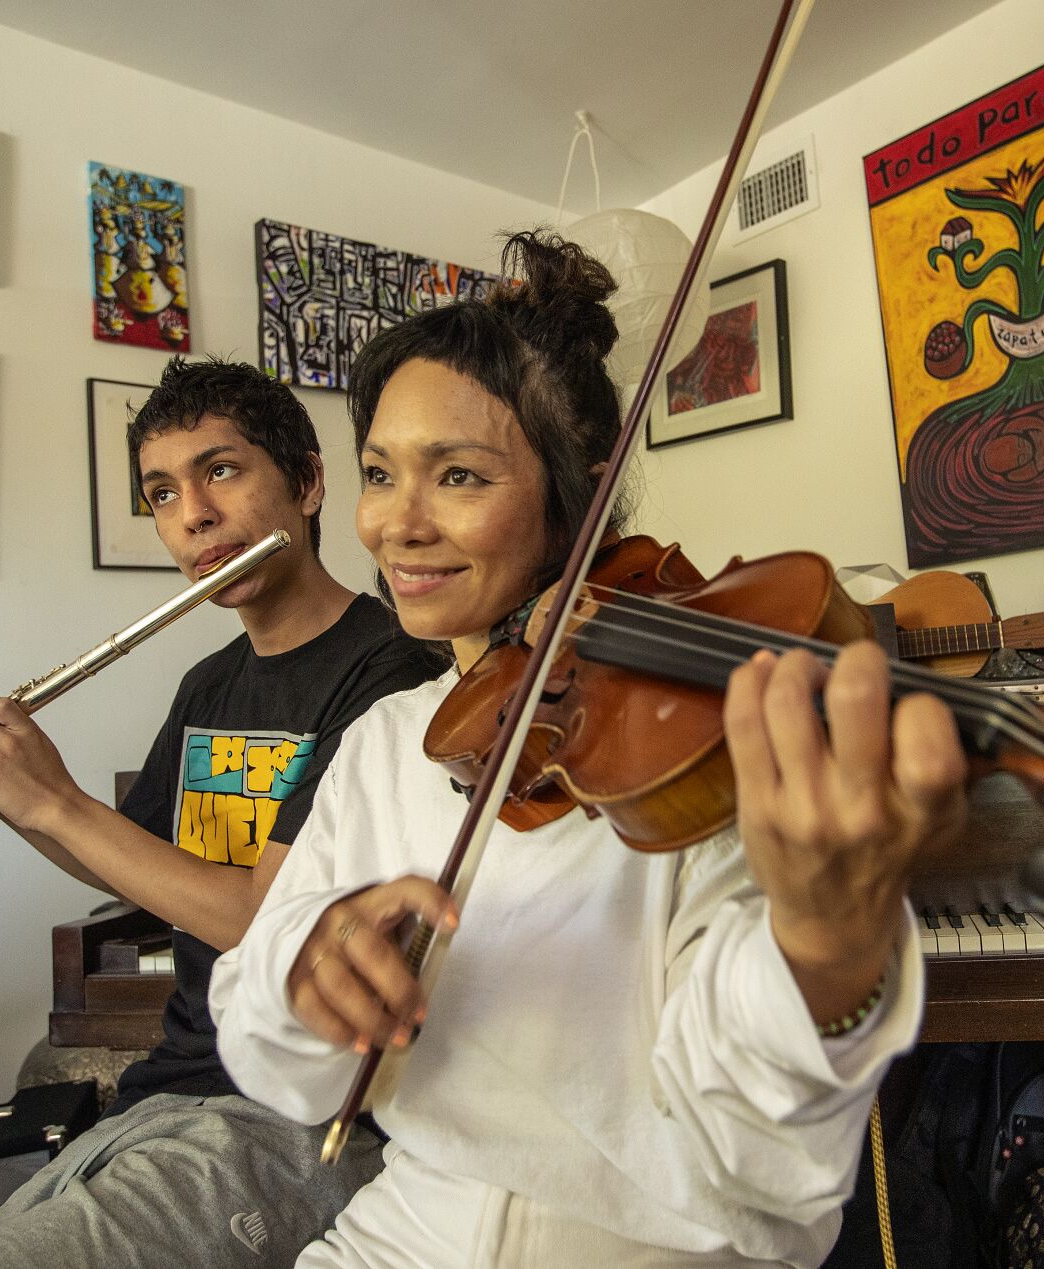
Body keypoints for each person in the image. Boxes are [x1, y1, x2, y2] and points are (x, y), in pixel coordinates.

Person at [211, 233, 968, 1267]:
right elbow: (263, 1036)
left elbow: (760, 1173)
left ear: (579, 486)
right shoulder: (386, 741)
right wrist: (303, 976)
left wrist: (823, 949)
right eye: (379, 473)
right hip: (400, 1233)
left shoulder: (693, 738)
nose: (396, 524)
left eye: (460, 476)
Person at [0, 357, 445, 1268]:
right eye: (162, 491)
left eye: (220, 471)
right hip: (172, 1089)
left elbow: (263, 918)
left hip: (293, 1110)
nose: (191, 514)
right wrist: (0, 791)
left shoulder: (391, 673)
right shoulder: (210, 681)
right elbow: (144, 865)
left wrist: (57, 798)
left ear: (309, 483)